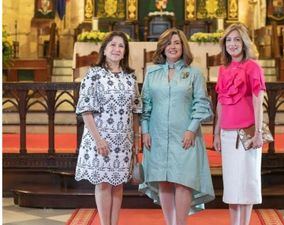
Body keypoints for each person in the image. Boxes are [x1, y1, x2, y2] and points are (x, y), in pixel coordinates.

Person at [139, 28, 215, 225]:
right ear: (162, 48)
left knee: (183, 181)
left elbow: (201, 104)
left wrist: (191, 129)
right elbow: (145, 105)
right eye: (168, 43)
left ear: (183, 47)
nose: (172, 47)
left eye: (177, 43)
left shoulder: (194, 74)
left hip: (185, 136)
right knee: (163, 181)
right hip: (157, 136)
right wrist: (145, 131)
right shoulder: (152, 73)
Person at [75, 31, 141, 225]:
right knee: (104, 183)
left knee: (117, 183)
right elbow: (86, 110)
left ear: (125, 52)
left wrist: (135, 140)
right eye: (112, 45)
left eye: (121, 46)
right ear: (104, 49)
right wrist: (98, 140)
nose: (116, 49)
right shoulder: (94, 75)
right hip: (100, 139)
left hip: (123, 140)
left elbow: (135, 110)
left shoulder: (130, 77)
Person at [213, 23, 266, 225]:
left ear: (244, 43)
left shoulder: (253, 67)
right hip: (227, 134)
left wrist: (258, 132)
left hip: (247, 133)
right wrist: (216, 133)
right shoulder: (223, 69)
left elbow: (257, 100)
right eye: (228, 40)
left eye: (236, 39)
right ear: (224, 44)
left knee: (247, 184)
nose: (232, 44)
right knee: (233, 185)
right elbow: (220, 102)